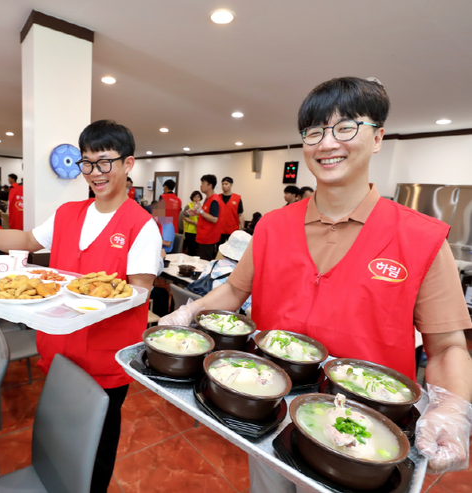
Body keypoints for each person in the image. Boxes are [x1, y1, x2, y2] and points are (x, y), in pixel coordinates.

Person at [161, 77, 472, 490]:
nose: (327, 143)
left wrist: (452, 409)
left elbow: (447, 346)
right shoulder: (272, 227)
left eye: (346, 127)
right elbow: (235, 291)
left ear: (378, 137)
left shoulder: (421, 237)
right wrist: (188, 312)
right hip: (268, 412)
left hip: (364, 440)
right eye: (314, 131)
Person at [0, 120, 162, 492]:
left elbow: (140, 291)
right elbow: (28, 239)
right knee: (62, 435)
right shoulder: (68, 213)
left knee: (95, 447)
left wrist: (94, 295)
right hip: (60, 347)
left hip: (105, 357)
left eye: (104, 162)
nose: (94, 172)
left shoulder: (141, 226)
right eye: (87, 163)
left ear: (128, 164)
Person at [187, 230, 252, 314]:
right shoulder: (239, 275)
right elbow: (248, 307)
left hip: (198, 311)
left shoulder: (212, 263)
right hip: (219, 316)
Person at [189, 174, 221, 261]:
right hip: (203, 235)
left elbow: (214, 219)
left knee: (204, 262)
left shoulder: (214, 200)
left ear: (210, 186)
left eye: (203, 183)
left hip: (208, 237)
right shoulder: (207, 198)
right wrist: (196, 213)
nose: (201, 185)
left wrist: (200, 211)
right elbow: (206, 214)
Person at [218, 176, 244, 244]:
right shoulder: (217, 198)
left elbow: (240, 214)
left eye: (226, 184)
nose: (224, 186)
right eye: (222, 184)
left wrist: (242, 228)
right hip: (219, 229)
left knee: (232, 249)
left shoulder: (237, 198)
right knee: (219, 248)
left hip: (233, 230)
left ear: (231, 185)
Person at [181, 191, 202, 256]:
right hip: (189, 230)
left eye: (198, 197)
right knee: (191, 249)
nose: (196, 198)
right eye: (195, 197)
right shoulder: (189, 206)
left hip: (199, 231)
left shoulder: (202, 207)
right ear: (192, 198)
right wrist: (194, 222)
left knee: (197, 250)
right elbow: (184, 217)